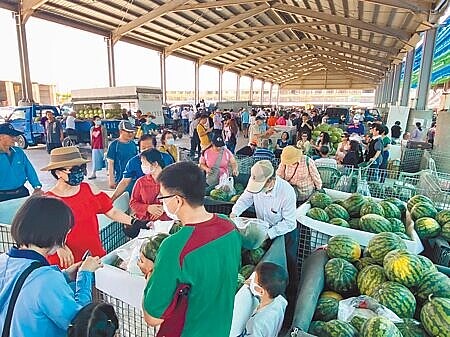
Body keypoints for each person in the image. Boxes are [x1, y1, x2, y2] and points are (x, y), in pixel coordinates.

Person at [143, 162, 241, 337]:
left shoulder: (175, 247)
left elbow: (152, 317)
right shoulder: (229, 227)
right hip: (220, 330)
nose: (162, 202)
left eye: (163, 197)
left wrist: (151, 273)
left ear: (178, 200)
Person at [0, 196, 103, 337]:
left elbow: (23, 288)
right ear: (57, 235)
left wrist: (65, 275)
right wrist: (84, 275)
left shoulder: (4, 260)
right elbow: (78, 323)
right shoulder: (47, 279)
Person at [42, 146, 150, 267]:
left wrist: (135, 222)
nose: (79, 172)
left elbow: (111, 211)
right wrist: (59, 246)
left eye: (81, 168)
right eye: (73, 169)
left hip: (93, 256)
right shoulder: (48, 200)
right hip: (66, 261)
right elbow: (43, 232)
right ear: (58, 172)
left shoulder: (89, 189)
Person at [230, 160, 298, 328]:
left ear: (271, 181)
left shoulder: (286, 192)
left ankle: (289, 306)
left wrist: (269, 234)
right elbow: (245, 199)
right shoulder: (255, 184)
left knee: (287, 269)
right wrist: (234, 213)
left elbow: (290, 222)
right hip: (264, 229)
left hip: (284, 233)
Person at [110, 134, 164, 202]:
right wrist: (113, 198)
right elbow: (125, 182)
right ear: (139, 149)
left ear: (155, 147)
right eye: (143, 148)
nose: (146, 150)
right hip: (143, 196)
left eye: (149, 148)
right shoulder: (133, 162)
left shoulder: (166, 158)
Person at [239, 263, 288, 337]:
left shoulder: (256, 324)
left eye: (253, 279)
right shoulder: (280, 301)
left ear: (261, 291)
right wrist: (253, 285)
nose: (250, 280)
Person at [0, 123, 42, 202]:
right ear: (0, 137)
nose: (15, 139)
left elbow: (29, 170)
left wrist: (37, 186)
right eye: (11, 136)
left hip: (21, 193)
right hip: (2, 197)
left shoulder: (18, 152)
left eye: (15, 136)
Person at [130, 149, 170, 221]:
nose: (142, 166)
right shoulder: (141, 182)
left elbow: (180, 200)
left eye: (144, 163)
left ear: (155, 164)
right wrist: (148, 208)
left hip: (166, 222)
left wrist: (164, 209)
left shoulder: (170, 181)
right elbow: (133, 203)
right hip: (145, 222)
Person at [106, 121, 137, 190]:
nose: (130, 134)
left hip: (134, 179)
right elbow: (110, 164)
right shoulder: (114, 145)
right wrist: (111, 180)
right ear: (121, 131)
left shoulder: (133, 144)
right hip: (121, 179)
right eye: (128, 132)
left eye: (132, 132)